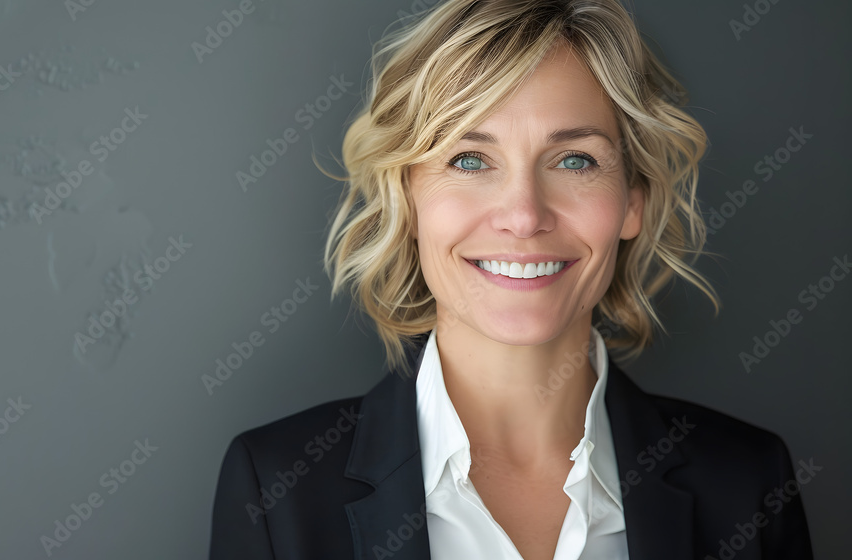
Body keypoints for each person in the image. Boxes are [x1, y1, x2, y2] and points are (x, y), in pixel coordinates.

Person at [209, 0, 814, 558]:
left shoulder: (749, 481)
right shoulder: (276, 487)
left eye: (574, 159)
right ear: (406, 196)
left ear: (633, 200)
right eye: (469, 159)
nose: (524, 216)